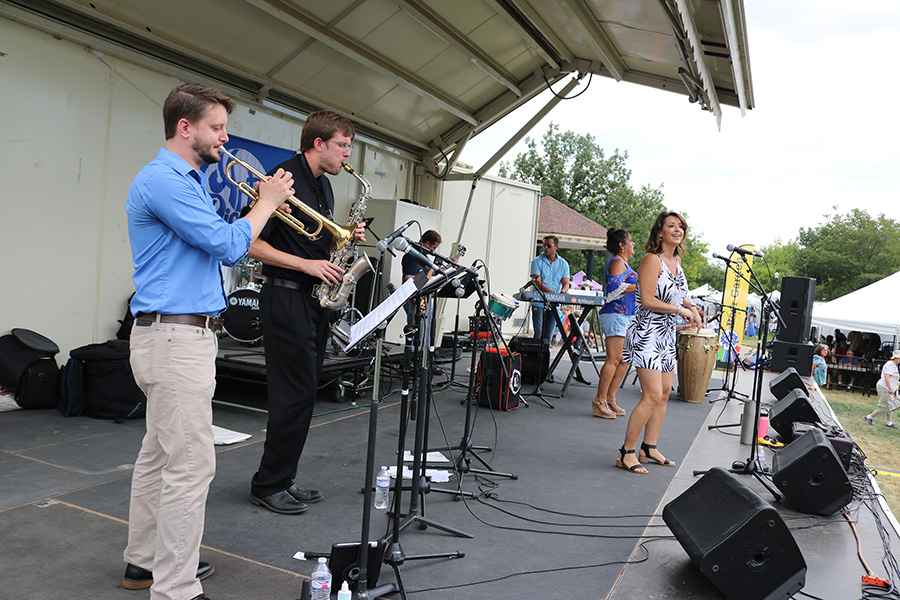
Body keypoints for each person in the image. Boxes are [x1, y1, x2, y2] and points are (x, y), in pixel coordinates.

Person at [124, 83, 294, 600]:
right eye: (217, 128)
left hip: (175, 335)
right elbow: (226, 245)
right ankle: (175, 587)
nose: (224, 139)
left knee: (160, 455)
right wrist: (266, 203)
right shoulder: (165, 180)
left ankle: (143, 564)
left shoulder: (189, 180)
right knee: (192, 465)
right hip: (174, 337)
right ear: (185, 127)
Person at [248, 110, 367, 515]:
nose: (347, 155)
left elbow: (317, 247)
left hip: (312, 300)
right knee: (290, 393)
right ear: (319, 144)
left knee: (303, 395)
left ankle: (283, 478)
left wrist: (345, 240)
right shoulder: (282, 178)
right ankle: (268, 484)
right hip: (285, 295)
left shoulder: (325, 188)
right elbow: (251, 244)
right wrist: (307, 265)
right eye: (343, 146)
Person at [616, 212, 701, 474]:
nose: (678, 230)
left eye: (681, 227)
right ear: (660, 232)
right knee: (651, 395)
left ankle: (648, 447)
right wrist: (679, 311)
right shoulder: (652, 260)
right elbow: (648, 299)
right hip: (646, 333)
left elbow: (682, 296)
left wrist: (693, 310)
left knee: (664, 394)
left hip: (665, 334)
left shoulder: (676, 261)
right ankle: (626, 452)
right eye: (671, 226)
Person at [591, 228, 637, 419]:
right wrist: (643, 284)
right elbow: (614, 291)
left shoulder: (625, 264)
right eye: (631, 241)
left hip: (627, 316)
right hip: (616, 314)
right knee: (614, 358)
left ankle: (611, 397)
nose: (633, 244)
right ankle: (599, 400)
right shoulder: (617, 262)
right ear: (622, 245)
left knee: (625, 360)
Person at [530, 235, 571, 344]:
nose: (546, 248)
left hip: (553, 305)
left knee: (548, 337)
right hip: (539, 303)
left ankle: (545, 360)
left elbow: (566, 282)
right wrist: (550, 292)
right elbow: (537, 281)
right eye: (544, 245)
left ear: (556, 247)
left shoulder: (563, 264)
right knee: (538, 335)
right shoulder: (537, 261)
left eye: (549, 245)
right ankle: (534, 359)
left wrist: (564, 290)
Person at [402, 229, 442, 325]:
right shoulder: (412, 255)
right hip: (416, 299)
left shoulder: (423, 257)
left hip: (424, 298)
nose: (434, 251)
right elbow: (409, 278)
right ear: (427, 243)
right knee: (416, 330)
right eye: (433, 247)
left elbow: (432, 274)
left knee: (425, 332)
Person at [864, 350, 900, 429]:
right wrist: (890, 388)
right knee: (883, 405)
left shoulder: (894, 365)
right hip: (885, 387)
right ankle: (868, 417)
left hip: (888, 388)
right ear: (896, 358)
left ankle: (889, 422)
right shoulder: (890, 365)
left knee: (890, 405)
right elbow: (887, 377)